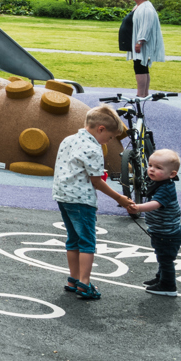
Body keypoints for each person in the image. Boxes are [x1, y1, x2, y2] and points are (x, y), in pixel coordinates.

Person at [51, 104, 129, 301]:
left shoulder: (68, 139)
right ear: (100, 129)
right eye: (110, 137)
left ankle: (73, 279)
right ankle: (85, 283)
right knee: (87, 242)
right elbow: (96, 181)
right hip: (81, 200)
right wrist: (119, 198)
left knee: (72, 239)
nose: (109, 141)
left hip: (63, 195)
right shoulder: (93, 147)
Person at [126, 148, 181, 297]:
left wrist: (138, 208)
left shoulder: (166, 188)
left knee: (165, 259)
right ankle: (161, 278)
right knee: (162, 256)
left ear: (172, 174)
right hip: (161, 231)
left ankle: (168, 286)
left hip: (168, 233)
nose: (151, 170)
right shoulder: (158, 183)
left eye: (158, 168)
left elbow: (155, 204)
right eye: (150, 165)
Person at [129, 0, 164, 98]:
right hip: (138, 42)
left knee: (140, 66)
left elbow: (146, 26)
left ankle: (141, 94)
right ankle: (144, 93)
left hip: (142, 44)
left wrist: (140, 41)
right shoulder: (140, 6)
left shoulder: (146, 8)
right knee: (142, 66)